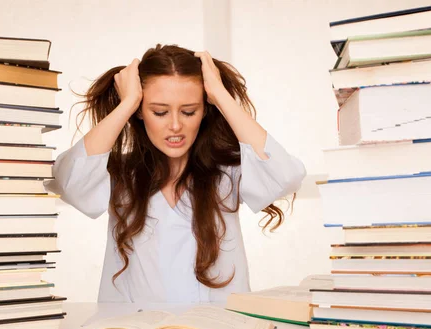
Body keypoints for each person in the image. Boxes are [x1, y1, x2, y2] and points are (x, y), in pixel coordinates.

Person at [44, 44, 306, 303]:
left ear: (205, 110)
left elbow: (285, 176)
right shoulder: (119, 175)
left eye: (189, 111)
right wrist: (127, 103)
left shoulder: (228, 174)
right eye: (159, 112)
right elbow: (69, 182)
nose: (175, 126)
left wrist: (221, 96)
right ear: (140, 112)